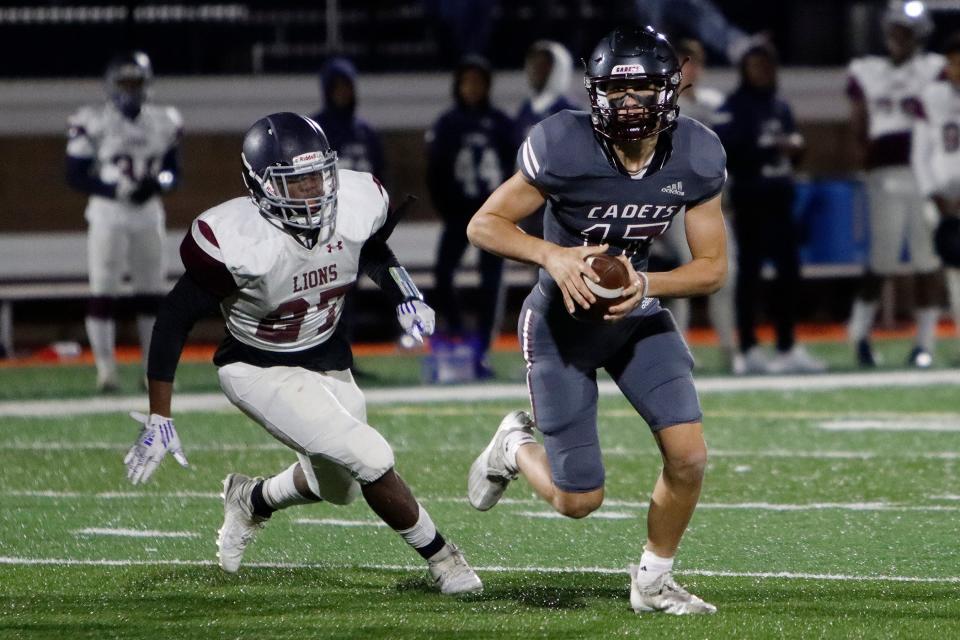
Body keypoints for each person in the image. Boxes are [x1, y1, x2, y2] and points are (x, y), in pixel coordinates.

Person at [121, 112, 481, 595]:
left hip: (325, 354)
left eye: (317, 176)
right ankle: (444, 559)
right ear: (260, 186)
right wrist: (158, 414)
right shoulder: (240, 241)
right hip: (257, 367)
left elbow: (369, 247)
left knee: (342, 488)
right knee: (370, 454)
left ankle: (251, 498)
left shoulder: (353, 203)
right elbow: (172, 321)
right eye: (296, 182)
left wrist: (406, 294)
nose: (313, 191)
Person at [466, 26, 723, 615]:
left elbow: (711, 269)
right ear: (594, 92)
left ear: (671, 88)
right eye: (616, 91)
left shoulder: (698, 152)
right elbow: (484, 224)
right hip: (563, 330)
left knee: (689, 456)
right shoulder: (563, 143)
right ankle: (513, 446)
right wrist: (551, 255)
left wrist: (646, 285)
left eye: (642, 91)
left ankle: (653, 582)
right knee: (578, 500)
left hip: (637, 321)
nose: (629, 105)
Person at [66, 51, 182, 392]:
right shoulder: (92, 120)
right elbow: (74, 175)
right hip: (107, 214)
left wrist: (156, 184)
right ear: (111, 85)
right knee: (103, 291)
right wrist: (112, 188)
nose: (131, 89)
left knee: (151, 293)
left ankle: (151, 370)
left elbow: (174, 172)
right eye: (125, 82)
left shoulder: (165, 120)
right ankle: (106, 372)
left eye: (137, 82)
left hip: (147, 214)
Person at [713, 39, 826, 374]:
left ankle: (787, 345)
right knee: (749, 275)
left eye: (766, 65)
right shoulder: (733, 105)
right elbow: (725, 151)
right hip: (751, 199)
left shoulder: (780, 105)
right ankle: (747, 348)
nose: (760, 72)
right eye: (754, 65)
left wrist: (794, 148)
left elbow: (793, 147)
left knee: (789, 275)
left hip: (780, 198)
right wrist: (766, 148)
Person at [845, 1, 945, 368]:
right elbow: (858, 122)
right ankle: (859, 335)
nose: (898, 36)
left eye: (906, 30)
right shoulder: (868, 70)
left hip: (924, 175)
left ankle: (926, 342)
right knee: (881, 259)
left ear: (920, 34)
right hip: (884, 173)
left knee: (926, 259)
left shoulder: (935, 70)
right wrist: (862, 160)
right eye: (895, 29)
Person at [652, 38, 742, 374]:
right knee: (686, 276)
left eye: (693, 62)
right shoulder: (658, 106)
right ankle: (680, 352)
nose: (688, 69)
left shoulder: (715, 104)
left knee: (726, 274)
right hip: (675, 203)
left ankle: (730, 350)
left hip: (712, 201)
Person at [426, 56, 516, 377]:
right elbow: (435, 172)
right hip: (459, 215)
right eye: (467, 82)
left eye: (479, 82)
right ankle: (458, 334)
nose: (473, 88)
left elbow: (514, 172)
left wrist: (506, 210)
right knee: (442, 274)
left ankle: (483, 346)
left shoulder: (502, 124)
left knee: (491, 283)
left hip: (493, 215)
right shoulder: (447, 124)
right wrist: (448, 208)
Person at [911, 33, 960, 357]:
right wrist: (935, 195)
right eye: (954, 61)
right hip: (941, 200)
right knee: (942, 270)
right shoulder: (932, 96)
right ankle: (926, 344)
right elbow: (920, 153)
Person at [312, 56, 386, 181]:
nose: (342, 92)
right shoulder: (315, 131)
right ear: (327, 91)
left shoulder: (367, 133)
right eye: (337, 87)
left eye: (346, 86)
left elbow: (381, 175)